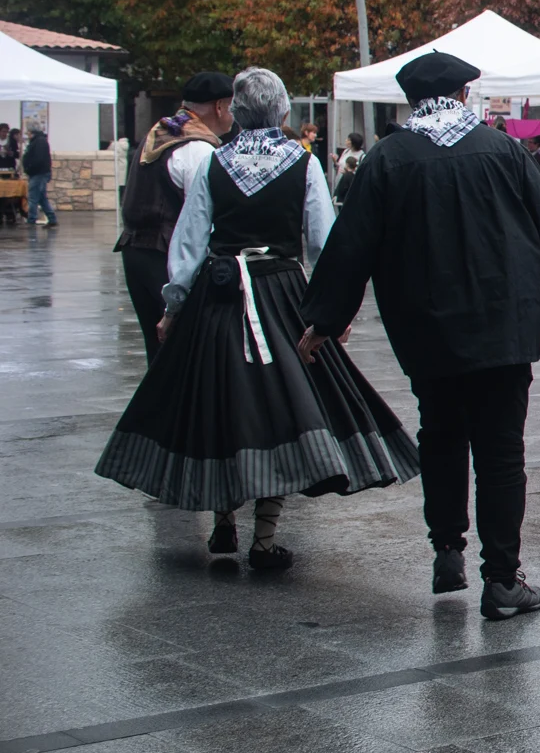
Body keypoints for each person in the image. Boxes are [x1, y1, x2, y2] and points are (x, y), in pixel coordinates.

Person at [298, 50, 540, 620]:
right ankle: (502, 581)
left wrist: (326, 318)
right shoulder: (503, 151)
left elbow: (352, 244)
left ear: (411, 99)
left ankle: (447, 550)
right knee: (501, 449)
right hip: (503, 322)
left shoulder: (388, 158)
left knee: (440, 433)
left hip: (426, 325)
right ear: (464, 94)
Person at [96, 68, 418, 569]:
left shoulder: (214, 160)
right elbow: (323, 242)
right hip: (282, 295)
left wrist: (174, 306)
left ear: (238, 113)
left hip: (218, 295)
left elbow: (189, 240)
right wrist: (332, 310)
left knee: (221, 403)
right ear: (283, 111)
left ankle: (224, 521)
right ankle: (264, 540)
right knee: (281, 411)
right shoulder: (303, 163)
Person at [114, 72, 233, 363]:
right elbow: (200, 220)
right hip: (167, 258)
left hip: (135, 253)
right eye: (233, 106)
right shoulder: (198, 148)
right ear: (219, 107)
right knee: (184, 354)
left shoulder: (159, 133)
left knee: (157, 353)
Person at [21, 119, 54, 227]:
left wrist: (29, 168)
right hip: (38, 173)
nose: (27, 133)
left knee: (33, 197)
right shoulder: (39, 140)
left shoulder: (39, 141)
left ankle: (32, 219)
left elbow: (38, 159)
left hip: (38, 174)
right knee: (41, 198)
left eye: (28, 131)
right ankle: (52, 218)